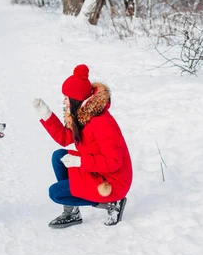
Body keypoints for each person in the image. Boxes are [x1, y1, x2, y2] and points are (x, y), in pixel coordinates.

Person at [33, 64, 133, 229]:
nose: (64, 101)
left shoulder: (102, 123)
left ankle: (112, 203)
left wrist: (80, 162)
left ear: (76, 99)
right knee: (59, 156)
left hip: (112, 182)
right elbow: (65, 138)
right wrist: (47, 115)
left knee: (56, 193)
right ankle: (72, 212)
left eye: (66, 97)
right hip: (97, 170)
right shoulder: (83, 115)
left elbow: (114, 161)